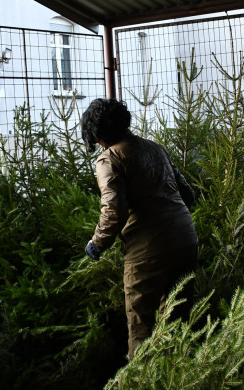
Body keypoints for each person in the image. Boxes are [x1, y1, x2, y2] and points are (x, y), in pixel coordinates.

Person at [81, 98, 198, 359]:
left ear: (97, 134)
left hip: (149, 249)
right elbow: (187, 194)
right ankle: (181, 383)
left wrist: (97, 244)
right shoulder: (155, 148)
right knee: (178, 319)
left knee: (141, 326)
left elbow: (114, 211)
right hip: (186, 239)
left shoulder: (109, 160)